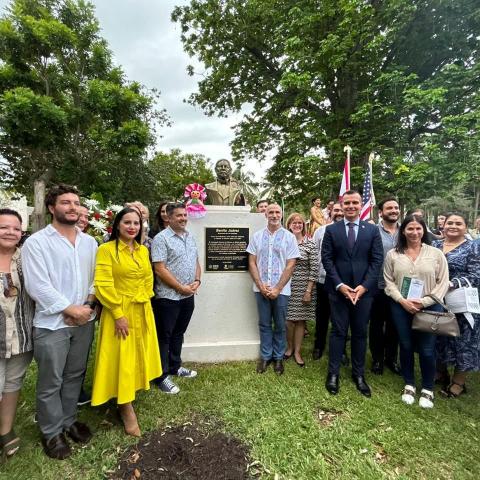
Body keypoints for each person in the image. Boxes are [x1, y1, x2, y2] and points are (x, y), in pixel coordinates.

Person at [22, 184, 98, 460]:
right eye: (66, 202)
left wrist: (87, 306)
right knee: (51, 380)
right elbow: (37, 285)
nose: (73, 207)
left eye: (76, 203)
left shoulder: (90, 243)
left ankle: (68, 421)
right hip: (51, 323)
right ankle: (52, 432)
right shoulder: (37, 243)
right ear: (52, 207)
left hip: (83, 321)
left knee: (74, 376)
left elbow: (96, 279)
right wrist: (68, 308)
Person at [91, 207, 161, 437]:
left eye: (136, 223)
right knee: (121, 356)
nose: (132, 227)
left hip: (142, 309)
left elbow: (149, 278)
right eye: (127, 222)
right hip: (118, 312)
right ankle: (125, 406)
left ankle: (130, 391)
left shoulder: (142, 251)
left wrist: (144, 301)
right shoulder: (106, 250)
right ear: (117, 225)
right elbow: (102, 283)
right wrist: (118, 313)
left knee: (135, 355)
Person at [321, 190, 383, 397]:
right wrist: (340, 285)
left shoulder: (372, 230)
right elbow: (327, 259)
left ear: (360, 205)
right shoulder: (332, 230)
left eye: (355, 202)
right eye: (347, 203)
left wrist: (363, 287)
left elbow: (376, 261)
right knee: (338, 332)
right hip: (338, 291)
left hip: (363, 293)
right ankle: (333, 373)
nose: (351, 206)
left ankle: (359, 375)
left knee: (359, 333)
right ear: (341, 204)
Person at [384, 214, 449, 408]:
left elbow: (443, 282)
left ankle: (427, 388)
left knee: (427, 349)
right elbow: (389, 282)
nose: (414, 232)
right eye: (410, 228)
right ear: (403, 230)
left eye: (418, 228)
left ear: (424, 230)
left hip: (430, 307)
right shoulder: (394, 254)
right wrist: (402, 301)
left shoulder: (435, 254)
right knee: (405, 345)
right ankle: (409, 384)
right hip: (400, 306)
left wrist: (423, 302)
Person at [151, 202, 201, 394]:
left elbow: (196, 260)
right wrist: (181, 288)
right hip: (168, 297)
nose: (183, 219)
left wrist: (197, 280)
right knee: (165, 336)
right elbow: (160, 269)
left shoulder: (190, 237)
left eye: (184, 215)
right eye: (178, 216)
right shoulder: (161, 239)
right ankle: (162, 375)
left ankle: (175, 366)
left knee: (179, 333)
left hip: (188, 295)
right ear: (169, 218)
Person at [247, 204, 300, 375]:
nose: (274, 215)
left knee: (280, 325)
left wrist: (277, 288)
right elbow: (252, 262)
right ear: (265, 214)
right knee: (264, 324)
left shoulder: (289, 237)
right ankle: (265, 356)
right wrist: (261, 285)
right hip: (260, 289)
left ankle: (278, 357)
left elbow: (291, 264)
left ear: (282, 215)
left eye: (277, 212)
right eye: (271, 212)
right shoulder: (256, 237)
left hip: (281, 291)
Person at [432, 213, 480, 397]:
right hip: (437, 299)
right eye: (450, 222)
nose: (453, 226)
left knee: (463, 342)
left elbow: (475, 275)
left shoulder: (472, 248)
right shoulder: (435, 245)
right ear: (443, 226)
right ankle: (440, 372)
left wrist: (452, 283)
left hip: (461, 303)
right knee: (438, 336)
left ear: (465, 228)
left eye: (458, 223)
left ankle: (459, 382)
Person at [0, 209, 34, 460]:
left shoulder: (26, 258)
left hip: (21, 334)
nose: (10, 232)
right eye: (4, 227)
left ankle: (5, 430)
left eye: (15, 228)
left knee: (12, 384)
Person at [369, 197, 400, 375]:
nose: (394, 210)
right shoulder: (373, 231)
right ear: (381, 212)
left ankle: (391, 358)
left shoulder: (405, 230)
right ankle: (377, 359)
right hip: (378, 285)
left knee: (394, 324)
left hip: (400, 287)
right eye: (389, 208)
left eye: (396, 208)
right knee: (376, 324)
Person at [284, 213, 318, 367]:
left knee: (300, 321)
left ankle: (297, 351)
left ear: (303, 225)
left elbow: (314, 269)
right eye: (294, 222)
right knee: (288, 320)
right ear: (288, 225)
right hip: (285, 286)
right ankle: (289, 348)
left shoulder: (310, 244)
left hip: (304, 287)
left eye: (300, 223)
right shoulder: (283, 242)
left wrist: (308, 291)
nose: (297, 225)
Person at [312, 202, 344, 360]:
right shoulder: (320, 231)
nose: (339, 212)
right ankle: (319, 345)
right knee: (322, 315)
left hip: (345, 283)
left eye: (341, 210)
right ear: (330, 212)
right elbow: (316, 253)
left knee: (341, 318)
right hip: (323, 280)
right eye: (336, 210)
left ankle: (341, 349)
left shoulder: (351, 231)